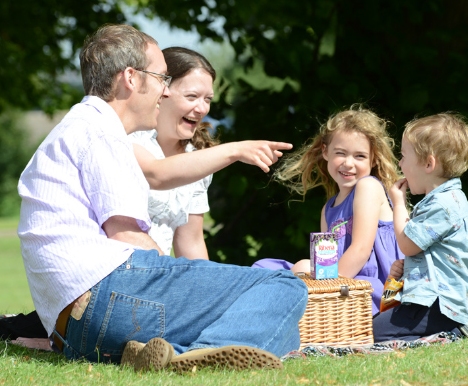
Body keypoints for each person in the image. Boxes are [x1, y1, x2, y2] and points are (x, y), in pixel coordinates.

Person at [17, 24, 308, 372]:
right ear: (130, 78)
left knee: (274, 324)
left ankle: (172, 351)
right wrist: (188, 280)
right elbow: (128, 238)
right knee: (283, 286)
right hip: (107, 295)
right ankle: (198, 356)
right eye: (160, 77)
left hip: (73, 330)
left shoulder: (81, 126)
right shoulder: (100, 133)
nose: (163, 90)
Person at [253, 106, 404, 314]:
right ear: (325, 152)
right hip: (342, 283)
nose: (348, 163)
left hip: (378, 289)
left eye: (359, 156)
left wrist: (324, 289)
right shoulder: (328, 210)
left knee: (303, 269)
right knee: (265, 268)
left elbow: (360, 251)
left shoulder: (368, 187)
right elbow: (326, 263)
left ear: (373, 159)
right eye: (340, 153)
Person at [372, 113, 468, 342]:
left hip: (439, 305)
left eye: (403, 157)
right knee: (378, 326)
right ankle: (440, 333)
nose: (400, 164)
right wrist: (407, 269)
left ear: (429, 164)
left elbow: (406, 244)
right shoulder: (443, 200)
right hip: (436, 303)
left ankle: (449, 333)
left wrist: (398, 203)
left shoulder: (443, 204)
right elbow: (422, 251)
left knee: (372, 332)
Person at [129, 47, 218, 258]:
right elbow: (157, 174)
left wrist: (209, 288)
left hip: (160, 277)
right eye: (192, 96)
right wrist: (236, 151)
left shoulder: (196, 158)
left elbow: (192, 244)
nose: (202, 108)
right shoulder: (127, 140)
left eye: (208, 99)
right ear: (162, 91)